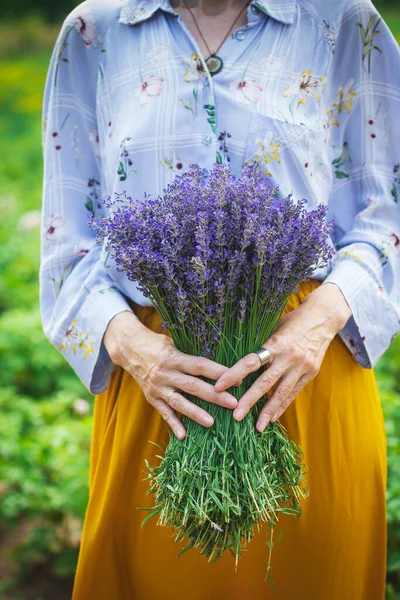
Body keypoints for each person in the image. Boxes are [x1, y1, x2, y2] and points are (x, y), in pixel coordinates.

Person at [40, 0, 400, 598]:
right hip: (163, 385)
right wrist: (136, 348)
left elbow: (388, 208)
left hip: (304, 372)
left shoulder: (341, 21)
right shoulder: (94, 32)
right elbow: (65, 241)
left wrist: (317, 324)